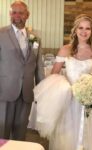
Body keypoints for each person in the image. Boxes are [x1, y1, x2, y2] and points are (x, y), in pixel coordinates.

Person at [32, 14, 92, 150]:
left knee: (88, 134)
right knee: (67, 134)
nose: (84, 32)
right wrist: (64, 88)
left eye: (87, 29)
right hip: (69, 100)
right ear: (75, 30)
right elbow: (54, 74)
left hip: (90, 101)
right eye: (81, 28)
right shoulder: (66, 50)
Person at [0, 1, 44, 140]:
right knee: (2, 132)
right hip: (5, 91)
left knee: (21, 132)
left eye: (21, 12)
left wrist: (42, 90)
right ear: (9, 14)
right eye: (14, 12)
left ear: (27, 15)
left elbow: (38, 66)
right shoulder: (1, 34)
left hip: (26, 92)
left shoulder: (35, 37)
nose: (17, 16)